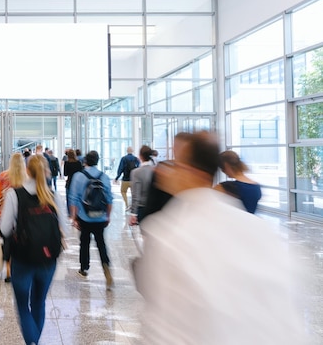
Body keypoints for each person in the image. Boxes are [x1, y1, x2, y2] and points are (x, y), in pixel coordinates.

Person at [133, 131, 307, 345]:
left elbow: (165, 333)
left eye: (177, 162)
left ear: (189, 170)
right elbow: (289, 316)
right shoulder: (262, 232)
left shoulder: (171, 237)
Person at [0, 155, 67, 345]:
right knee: (39, 302)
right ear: (46, 171)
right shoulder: (53, 196)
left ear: (27, 171)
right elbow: (65, 229)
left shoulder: (15, 194)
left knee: (22, 305)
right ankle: (34, 341)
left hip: (22, 258)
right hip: (48, 259)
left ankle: (32, 342)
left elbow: (5, 229)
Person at [68, 150, 114, 290]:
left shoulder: (78, 176)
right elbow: (109, 199)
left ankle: (84, 267)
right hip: (100, 216)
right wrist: (108, 216)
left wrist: (74, 217)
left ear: (85, 161)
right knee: (101, 243)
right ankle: (106, 266)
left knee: (84, 241)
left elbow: (73, 198)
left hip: (85, 217)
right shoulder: (104, 177)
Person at [0, 152, 27, 283]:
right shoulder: (27, 177)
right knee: (21, 241)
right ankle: (19, 268)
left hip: (5, 213)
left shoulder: (3, 176)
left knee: (6, 242)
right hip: (23, 215)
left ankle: (8, 271)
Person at [129, 145, 155, 225]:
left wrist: (133, 213)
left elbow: (135, 194)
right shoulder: (156, 170)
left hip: (142, 208)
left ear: (140, 156)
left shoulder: (136, 172)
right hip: (155, 207)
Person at [114, 146, 140, 211]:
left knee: (123, 191)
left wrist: (117, 177)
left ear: (127, 151)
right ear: (132, 151)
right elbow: (139, 169)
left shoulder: (123, 159)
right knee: (133, 193)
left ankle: (127, 205)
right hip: (133, 180)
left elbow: (120, 169)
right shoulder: (136, 159)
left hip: (125, 179)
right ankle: (132, 206)